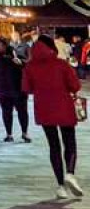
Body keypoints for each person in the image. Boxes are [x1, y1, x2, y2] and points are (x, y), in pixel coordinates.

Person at [22, 35, 83, 199]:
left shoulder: (30, 66)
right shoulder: (61, 64)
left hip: (44, 109)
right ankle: (70, 173)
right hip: (64, 107)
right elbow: (75, 86)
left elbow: (26, 88)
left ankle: (61, 186)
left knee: (53, 146)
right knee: (69, 142)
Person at [0, 37, 31, 142]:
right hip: (2, 89)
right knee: (6, 112)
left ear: (5, 45)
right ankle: (9, 134)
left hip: (18, 88)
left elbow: (27, 64)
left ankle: (25, 133)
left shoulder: (15, 52)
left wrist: (21, 63)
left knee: (22, 111)